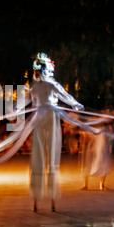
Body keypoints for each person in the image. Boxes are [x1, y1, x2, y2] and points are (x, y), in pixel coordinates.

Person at [29, 53, 84, 212]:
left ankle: (37, 199)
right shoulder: (51, 85)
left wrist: (15, 109)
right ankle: (49, 198)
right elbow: (65, 96)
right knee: (51, 155)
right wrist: (77, 105)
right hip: (49, 117)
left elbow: (27, 100)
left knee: (39, 155)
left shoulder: (36, 86)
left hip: (40, 117)